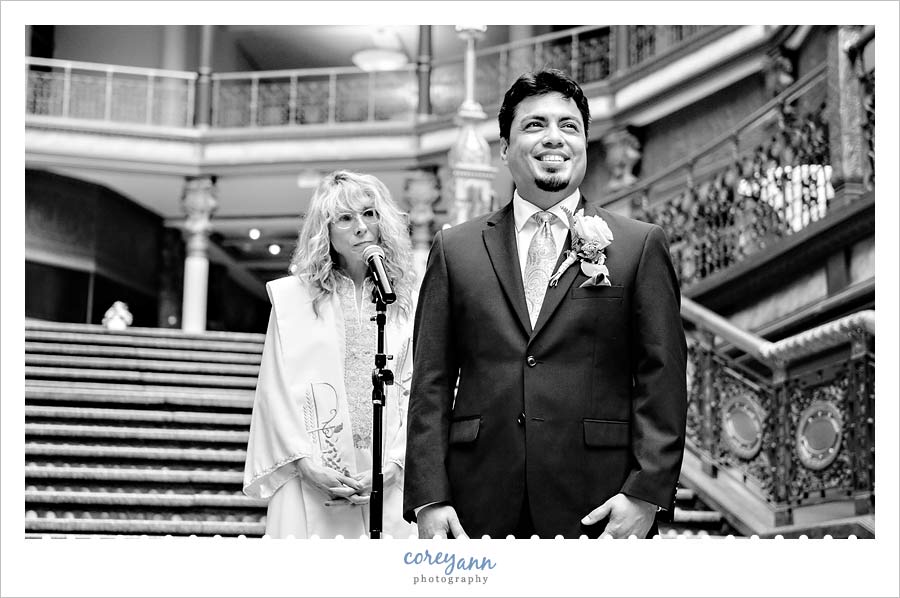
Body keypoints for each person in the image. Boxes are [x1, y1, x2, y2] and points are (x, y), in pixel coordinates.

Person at [403, 69, 687, 539]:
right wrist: (429, 496)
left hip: (600, 501)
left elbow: (663, 376)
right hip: (478, 499)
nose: (554, 137)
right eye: (534, 125)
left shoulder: (638, 245)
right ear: (505, 147)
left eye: (569, 125)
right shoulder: (455, 249)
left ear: (585, 143)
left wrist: (646, 491)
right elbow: (430, 381)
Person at [243, 170, 417, 539]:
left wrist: (394, 466)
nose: (361, 228)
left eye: (370, 214)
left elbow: (421, 388)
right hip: (310, 476)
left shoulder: (408, 300)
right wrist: (308, 465)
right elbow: (274, 391)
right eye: (345, 217)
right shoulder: (293, 299)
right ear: (326, 231)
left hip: (390, 476)